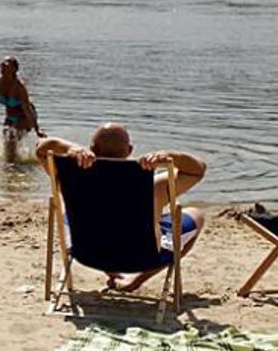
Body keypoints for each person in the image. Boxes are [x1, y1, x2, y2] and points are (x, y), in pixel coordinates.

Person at [35, 123, 207, 292]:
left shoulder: (71, 180)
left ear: (92, 148)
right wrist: (170, 156)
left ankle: (110, 269)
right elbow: (198, 169)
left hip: (88, 253)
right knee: (196, 214)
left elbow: (41, 147)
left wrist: (70, 147)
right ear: (130, 150)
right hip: (142, 258)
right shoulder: (153, 188)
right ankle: (136, 280)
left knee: (69, 211)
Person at [0, 56, 46, 159]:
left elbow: (27, 109)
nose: (3, 65)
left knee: (11, 137)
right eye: (2, 64)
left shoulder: (19, 87)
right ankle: (12, 169)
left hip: (26, 116)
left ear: (14, 69)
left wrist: (37, 129)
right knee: (7, 143)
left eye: (7, 64)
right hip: (10, 116)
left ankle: (15, 166)